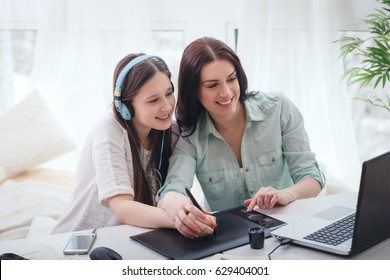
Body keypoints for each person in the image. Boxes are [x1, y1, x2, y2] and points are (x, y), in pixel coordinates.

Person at [157, 37, 325, 238]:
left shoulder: (278, 109)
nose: (226, 92)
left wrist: (286, 194)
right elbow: (173, 189)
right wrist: (173, 202)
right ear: (194, 91)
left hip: (288, 230)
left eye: (231, 79)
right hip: (227, 240)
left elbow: (312, 177)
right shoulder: (190, 136)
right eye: (212, 85)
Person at [52, 53, 178, 233]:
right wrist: (181, 219)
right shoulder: (108, 129)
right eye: (153, 100)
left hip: (131, 238)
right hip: (79, 240)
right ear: (125, 107)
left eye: (169, 93)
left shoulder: (170, 132)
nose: (167, 106)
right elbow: (122, 208)